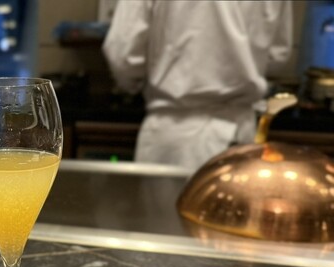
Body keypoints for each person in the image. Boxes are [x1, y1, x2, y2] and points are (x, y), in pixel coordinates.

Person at [102, 1, 293, 169]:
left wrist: (134, 85)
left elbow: (123, 54)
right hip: (241, 129)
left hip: (175, 130)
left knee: (170, 201)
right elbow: (277, 56)